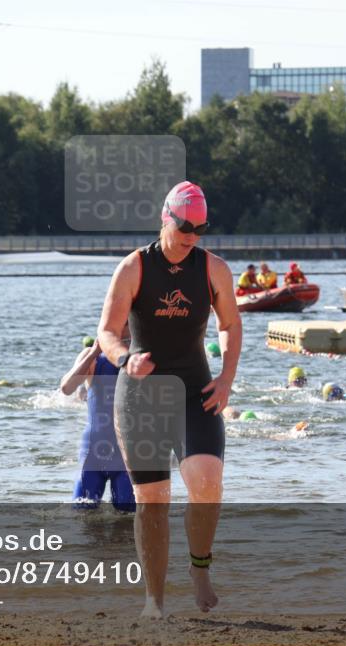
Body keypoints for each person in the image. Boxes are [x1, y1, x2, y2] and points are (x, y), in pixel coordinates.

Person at [98, 180, 242, 618]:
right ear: (166, 218)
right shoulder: (133, 268)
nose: (192, 236)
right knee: (153, 499)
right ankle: (154, 602)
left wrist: (226, 379)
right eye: (185, 227)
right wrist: (126, 358)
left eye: (200, 228)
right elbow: (106, 332)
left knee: (206, 481)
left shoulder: (213, 269)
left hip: (195, 388)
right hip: (141, 395)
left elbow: (230, 325)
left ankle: (200, 568)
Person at [60, 333, 135, 513]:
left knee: (127, 517)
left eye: (127, 321)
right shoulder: (93, 357)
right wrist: (93, 353)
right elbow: (67, 388)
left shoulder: (143, 356)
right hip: (93, 451)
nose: (123, 328)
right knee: (82, 512)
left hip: (130, 454)